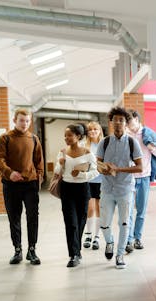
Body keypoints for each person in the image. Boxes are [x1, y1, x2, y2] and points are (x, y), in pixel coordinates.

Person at [0, 108, 44, 265]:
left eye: (27, 121)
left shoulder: (34, 139)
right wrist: (9, 173)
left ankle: (32, 250)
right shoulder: (5, 138)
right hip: (11, 185)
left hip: (30, 185)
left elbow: (39, 161)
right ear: (14, 120)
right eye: (22, 120)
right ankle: (17, 250)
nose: (25, 124)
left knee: (32, 217)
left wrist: (39, 177)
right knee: (14, 217)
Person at [97, 107, 143, 269]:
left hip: (125, 189)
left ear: (125, 123)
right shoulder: (105, 142)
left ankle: (120, 254)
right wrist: (105, 168)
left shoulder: (132, 142)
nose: (117, 123)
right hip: (107, 189)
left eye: (121, 120)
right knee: (104, 223)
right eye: (115, 120)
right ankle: (109, 241)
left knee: (124, 223)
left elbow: (140, 167)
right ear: (111, 122)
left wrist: (119, 169)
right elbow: (98, 165)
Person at [54, 124, 99, 267]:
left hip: (82, 189)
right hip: (67, 189)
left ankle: (77, 249)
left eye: (69, 135)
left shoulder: (87, 153)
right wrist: (61, 164)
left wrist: (82, 174)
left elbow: (96, 171)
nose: (66, 138)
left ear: (78, 136)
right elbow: (56, 171)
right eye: (65, 135)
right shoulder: (62, 152)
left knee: (80, 221)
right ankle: (73, 255)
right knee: (71, 222)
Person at [125, 110, 156, 252]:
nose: (128, 124)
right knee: (127, 211)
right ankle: (128, 240)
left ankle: (137, 238)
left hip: (144, 177)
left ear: (136, 118)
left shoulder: (147, 134)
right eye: (126, 122)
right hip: (129, 178)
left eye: (129, 121)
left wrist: (150, 146)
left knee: (141, 211)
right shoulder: (126, 135)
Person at [83, 121, 104, 250]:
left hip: (102, 182)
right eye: (90, 130)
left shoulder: (104, 144)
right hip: (89, 181)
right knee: (90, 209)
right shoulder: (84, 145)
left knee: (100, 209)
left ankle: (97, 236)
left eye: (95, 129)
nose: (93, 132)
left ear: (99, 130)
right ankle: (88, 234)